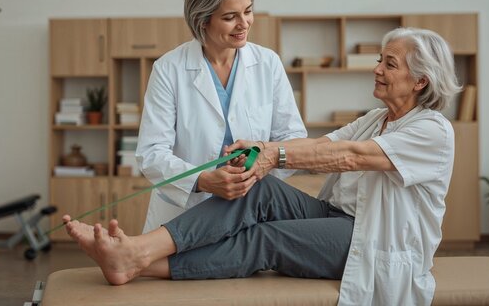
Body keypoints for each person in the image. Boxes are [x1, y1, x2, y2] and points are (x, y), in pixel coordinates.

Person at [64, 27, 461, 306]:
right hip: (340, 218)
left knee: (269, 237)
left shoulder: (432, 131)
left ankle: (142, 265)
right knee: (260, 186)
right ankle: (137, 251)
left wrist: (277, 155)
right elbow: (322, 144)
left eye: (389, 64)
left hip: (373, 241)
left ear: (420, 81)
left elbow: (350, 157)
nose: (377, 68)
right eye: (379, 60)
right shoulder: (377, 117)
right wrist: (263, 148)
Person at [136, 0, 306, 233]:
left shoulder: (267, 63)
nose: (244, 24)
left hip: (251, 208)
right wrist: (202, 180)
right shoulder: (169, 69)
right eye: (230, 17)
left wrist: (258, 165)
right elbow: (151, 153)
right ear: (202, 19)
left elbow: (293, 138)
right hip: (184, 210)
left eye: (248, 11)